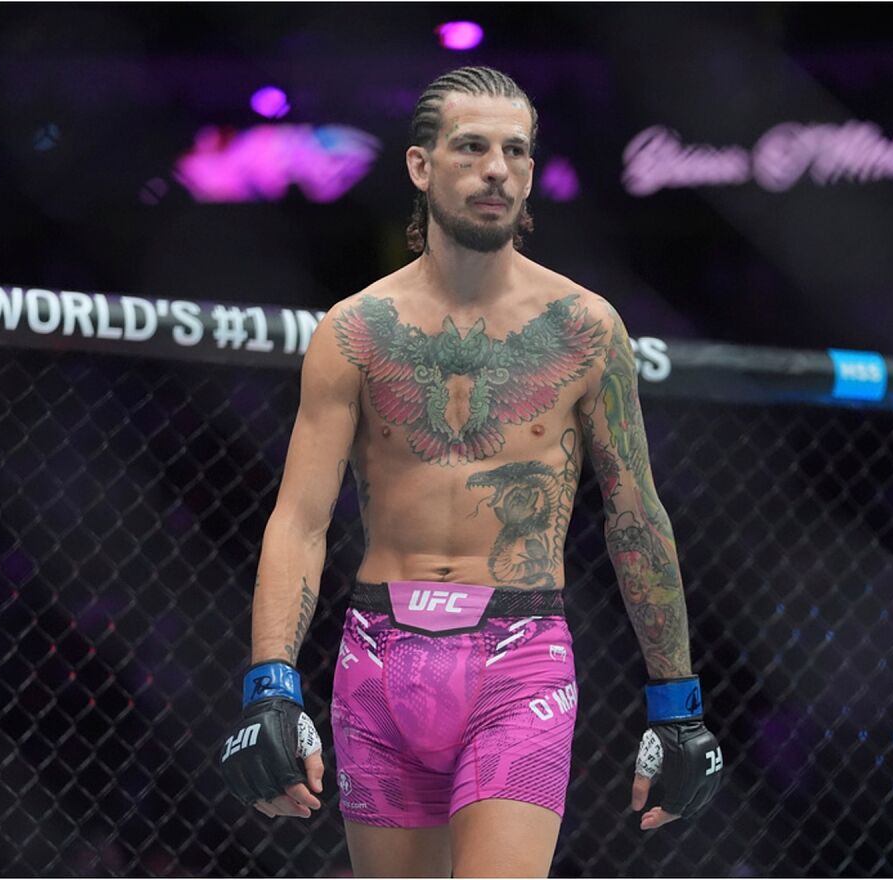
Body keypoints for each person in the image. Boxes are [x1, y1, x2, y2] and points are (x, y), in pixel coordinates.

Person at [220, 66, 722, 877]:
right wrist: (270, 684)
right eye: (473, 147)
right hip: (378, 655)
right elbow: (300, 519)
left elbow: (637, 517)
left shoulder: (585, 330)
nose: (497, 169)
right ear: (422, 166)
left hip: (519, 658)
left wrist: (678, 707)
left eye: (515, 152)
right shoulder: (356, 331)